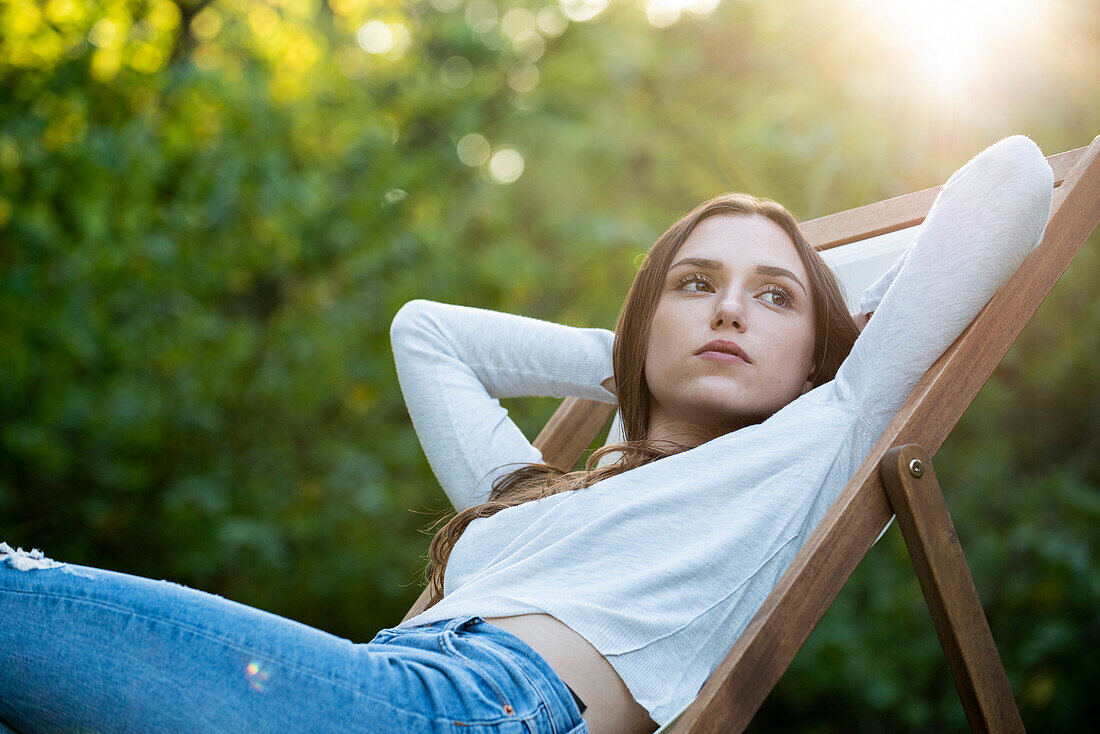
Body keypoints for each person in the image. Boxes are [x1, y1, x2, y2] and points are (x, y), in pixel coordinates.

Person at [0, 136, 1053, 734]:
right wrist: (635, 354)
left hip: (467, 713)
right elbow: (427, 332)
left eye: (770, 297)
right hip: (384, 684)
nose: (730, 310)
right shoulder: (529, 492)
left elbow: (1011, 180)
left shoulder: (822, 435)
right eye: (697, 285)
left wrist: (808, 342)